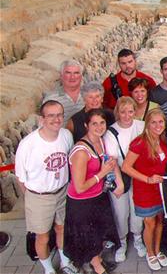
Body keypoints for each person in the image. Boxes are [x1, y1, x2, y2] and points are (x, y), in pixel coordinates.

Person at [15, 100, 79, 274]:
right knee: (42, 236)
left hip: (62, 191)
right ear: (42, 119)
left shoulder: (66, 135)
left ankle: (65, 262)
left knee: (62, 228)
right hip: (39, 196)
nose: (56, 119)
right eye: (51, 115)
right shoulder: (28, 144)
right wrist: (33, 199)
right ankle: (49, 269)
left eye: (59, 115)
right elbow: (20, 178)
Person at [63, 109, 122, 274]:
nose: (99, 127)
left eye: (102, 123)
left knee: (97, 233)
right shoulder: (81, 151)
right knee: (89, 236)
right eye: (94, 123)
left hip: (97, 196)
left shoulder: (100, 141)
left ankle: (99, 260)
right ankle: (97, 267)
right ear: (86, 125)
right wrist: (102, 173)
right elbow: (79, 186)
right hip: (82, 202)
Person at [122, 108, 167, 271]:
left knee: (159, 221)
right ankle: (150, 253)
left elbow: (163, 165)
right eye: (153, 122)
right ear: (147, 124)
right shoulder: (139, 142)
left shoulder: (163, 141)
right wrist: (147, 179)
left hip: (160, 190)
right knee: (149, 223)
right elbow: (126, 167)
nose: (158, 125)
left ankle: (157, 250)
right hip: (145, 190)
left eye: (161, 122)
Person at [103, 97, 146, 263]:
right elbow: (113, 160)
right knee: (121, 212)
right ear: (117, 113)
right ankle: (121, 242)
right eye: (123, 112)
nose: (127, 115)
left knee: (137, 210)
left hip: (139, 176)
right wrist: (119, 184)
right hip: (120, 175)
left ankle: (137, 238)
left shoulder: (141, 126)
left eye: (130, 111)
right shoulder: (111, 132)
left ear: (135, 111)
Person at [43, 60, 84, 125]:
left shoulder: (89, 96)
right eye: (68, 73)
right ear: (61, 76)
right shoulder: (51, 99)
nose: (72, 77)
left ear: (81, 77)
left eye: (76, 73)